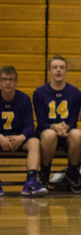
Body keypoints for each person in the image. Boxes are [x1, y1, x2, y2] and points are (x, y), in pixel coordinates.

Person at [32, 56, 81, 193]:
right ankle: (44, 172)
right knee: (49, 135)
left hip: (66, 132)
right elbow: (41, 121)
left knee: (78, 134)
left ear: (66, 71)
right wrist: (54, 127)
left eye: (62, 67)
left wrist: (66, 127)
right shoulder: (39, 93)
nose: (58, 70)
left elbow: (73, 121)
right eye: (55, 67)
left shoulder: (75, 93)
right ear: (49, 71)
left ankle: (72, 172)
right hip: (47, 132)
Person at [0, 66, 47, 196]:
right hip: (0, 139)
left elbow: (30, 126)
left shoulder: (24, 99)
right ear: (0, 82)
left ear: (16, 82)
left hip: (19, 139)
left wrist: (21, 138)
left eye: (11, 79)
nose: (8, 83)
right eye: (4, 79)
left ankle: (31, 182)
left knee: (34, 142)